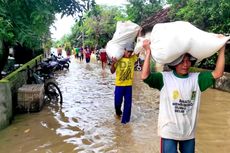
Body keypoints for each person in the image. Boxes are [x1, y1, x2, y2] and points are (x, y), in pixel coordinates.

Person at [141, 36, 226, 153]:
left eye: (188, 60)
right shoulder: (164, 78)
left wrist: (222, 48)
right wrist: (148, 52)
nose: (185, 64)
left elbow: (218, 73)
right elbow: (145, 76)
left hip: (188, 133)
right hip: (169, 132)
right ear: (174, 63)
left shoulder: (197, 79)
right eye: (181, 61)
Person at [110, 42, 138, 124]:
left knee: (128, 104)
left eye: (130, 52)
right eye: (128, 51)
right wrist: (113, 63)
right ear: (124, 50)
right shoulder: (118, 59)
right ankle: (118, 113)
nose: (129, 54)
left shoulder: (132, 59)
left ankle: (125, 123)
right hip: (119, 85)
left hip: (128, 85)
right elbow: (112, 71)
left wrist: (138, 34)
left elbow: (139, 49)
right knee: (117, 103)